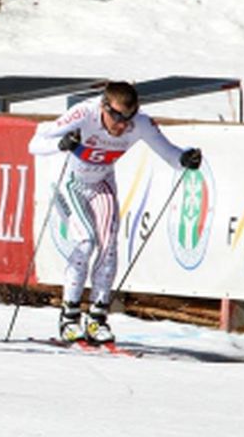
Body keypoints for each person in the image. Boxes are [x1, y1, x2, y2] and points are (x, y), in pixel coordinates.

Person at [27, 81, 202, 344]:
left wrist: (186, 159)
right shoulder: (83, 113)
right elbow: (35, 144)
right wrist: (62, 144)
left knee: (109, 247)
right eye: (117, 117)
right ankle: (69, 318)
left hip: (102, 183)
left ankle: (97, 320)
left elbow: (170, 154)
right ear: (103, 106)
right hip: (69, 182)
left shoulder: (140, 123)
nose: (122, 125)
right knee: (86, 242)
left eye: (128, 118)